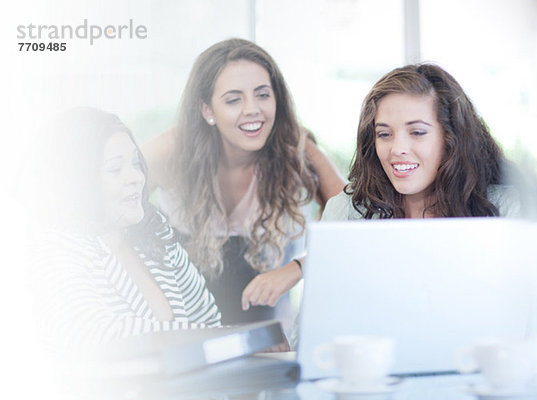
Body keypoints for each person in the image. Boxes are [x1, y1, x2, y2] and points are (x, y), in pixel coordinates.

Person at [322, 63, 537, 320]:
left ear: (451, 138)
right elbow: (318, 327)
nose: (397, 149)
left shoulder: (506, 209)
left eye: (417, 132)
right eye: (384, 134)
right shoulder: (348, 212)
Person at [143, 38, 345, 327]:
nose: (252, 109)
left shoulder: (295, 150)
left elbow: (355, 223)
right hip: (188, 336)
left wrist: (299, 267)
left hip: (273, 339)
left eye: (263, 94)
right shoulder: (173, 151)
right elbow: (105, 213)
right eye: (233, 99)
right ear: (207, 110)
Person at [30, 107, 221, 357]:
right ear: (78, 183)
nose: (136, 177)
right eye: (114, 169)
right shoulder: (55, 249)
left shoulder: (156, 236)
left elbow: (208, 321)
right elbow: (98, 336)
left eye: (135, 163)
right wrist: (214, 339)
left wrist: (251, 341)